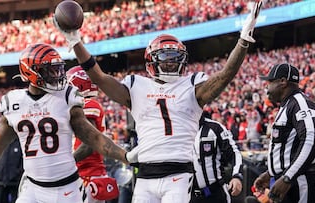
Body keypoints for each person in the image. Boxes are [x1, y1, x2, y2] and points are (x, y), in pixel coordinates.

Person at [54, 1, 262, 202]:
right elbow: (98, 77)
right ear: (151, 61)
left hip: (178, 173)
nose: (171, 63)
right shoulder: (137, 86)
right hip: (145, 172)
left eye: (174, 58)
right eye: (165, 58)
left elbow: (225, 75)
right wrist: (76, 42)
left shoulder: (192, 86)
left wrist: (243, 40)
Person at [0, 43, 128, 203]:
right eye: (50, 71)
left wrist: (126, 157)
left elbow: (94, 138)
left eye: (58, 69)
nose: (58, 75)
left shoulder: (67, 97)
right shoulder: (14, 103)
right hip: (32, 187)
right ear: (31, 72)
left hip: (67, 186)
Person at [253, 63, 315, 203]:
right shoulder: (287, 105)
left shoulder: (299, 103)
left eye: (270, 82)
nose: (266, 88)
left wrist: (288, 177)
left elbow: (310, 139)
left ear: (282, 81)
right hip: (288, 179)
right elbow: (287, 148)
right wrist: (270, 173)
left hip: (298, 181)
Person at [67, 66, 119, 203]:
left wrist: (68, 162)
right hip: (88, 174)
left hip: (88, 175)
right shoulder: (88, 104)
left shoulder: (88, 104)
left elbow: (89, 143)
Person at [191, 113, 243, 203]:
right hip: (188, 195)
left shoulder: (215, 128)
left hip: (214, 193)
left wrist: (236, 176)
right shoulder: (177, 132)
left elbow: (234, 153)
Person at [0, 138, 23, 203]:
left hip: (15, 181)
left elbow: (22, 161)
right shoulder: (2, 142)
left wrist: (17, 173)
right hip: (1, 179)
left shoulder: (20, 143)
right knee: (1, 200)